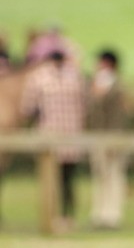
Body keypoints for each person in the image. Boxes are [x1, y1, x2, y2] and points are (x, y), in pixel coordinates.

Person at [20, 50, 87, 230]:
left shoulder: (38, 78)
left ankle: (55, 216)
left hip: (50, 137)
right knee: (67, 180)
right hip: (71, 136)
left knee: (51, 180)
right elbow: (85, 106)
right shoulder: (75, 77)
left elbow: (27, 108)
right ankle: (66, 216)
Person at [87, 49, 132, 230]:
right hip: (99, 137)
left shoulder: (116, 87)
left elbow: (118, 115)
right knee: (100, 177)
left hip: (112, 137)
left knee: (113, 176)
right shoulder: (98, 84)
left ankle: (112, 215)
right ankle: (99, 214)